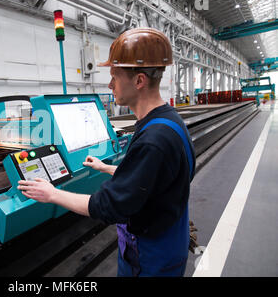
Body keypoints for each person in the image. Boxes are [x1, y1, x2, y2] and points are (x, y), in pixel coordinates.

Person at [18, 27, 195, 277]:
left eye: (115, 76)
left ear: (139, 80)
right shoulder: (170, 121)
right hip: (170, 240)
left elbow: (108, 206)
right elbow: (154, 178)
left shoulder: (153, 140)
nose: (110, 84)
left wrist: (53, 194)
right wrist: (106, 168)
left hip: (150, 257)